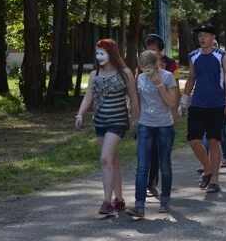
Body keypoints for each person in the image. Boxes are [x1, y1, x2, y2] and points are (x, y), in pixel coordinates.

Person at [75, 39, 137, 216]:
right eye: (97, 53)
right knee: (112, 160)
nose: (99, 56)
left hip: (118, 122)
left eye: (103, 52)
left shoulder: (124, 74)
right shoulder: (94, 75)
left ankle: (106, 202)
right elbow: (88, 97)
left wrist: (135, 120)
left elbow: (133, 98)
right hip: (100, 122)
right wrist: (80, 114)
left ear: (112, 54)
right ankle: (118, 200)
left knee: (104, 159)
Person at [180, 24, 226, 194]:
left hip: (217, 104)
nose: (202, 38)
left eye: (205, 35)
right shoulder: (193, 56)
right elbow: (191, 78)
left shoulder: (221, 55)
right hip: (197, 104)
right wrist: (184, 101)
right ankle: (208, 169)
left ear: (213, 37)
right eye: (199, 36)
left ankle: (214, 180)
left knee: (213, 141)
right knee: (193, 139)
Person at [127, 50, 179, 218]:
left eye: (149, 69)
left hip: (164, 125)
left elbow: (172, 103)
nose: (146, 72)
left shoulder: (167, 77)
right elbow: (137, 102)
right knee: (142, 166)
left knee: (164, 164)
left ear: (156, 65)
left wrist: (159, 86)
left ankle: (165, 200)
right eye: (143, 69)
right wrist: (134, 120)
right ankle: (139, 205)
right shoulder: (139, 79)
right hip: (145, 125)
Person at [142, 33, 180, 199]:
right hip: (148, 117)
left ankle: (156, 184)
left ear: (161, 51)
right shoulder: (144, 65)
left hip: (165, 115)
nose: (150, 54)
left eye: (154, 51)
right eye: (147, 50)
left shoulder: (171, 64)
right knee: (150, 153)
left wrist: (175, 111)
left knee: (160, 153)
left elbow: (175, 87)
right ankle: (151, 183)